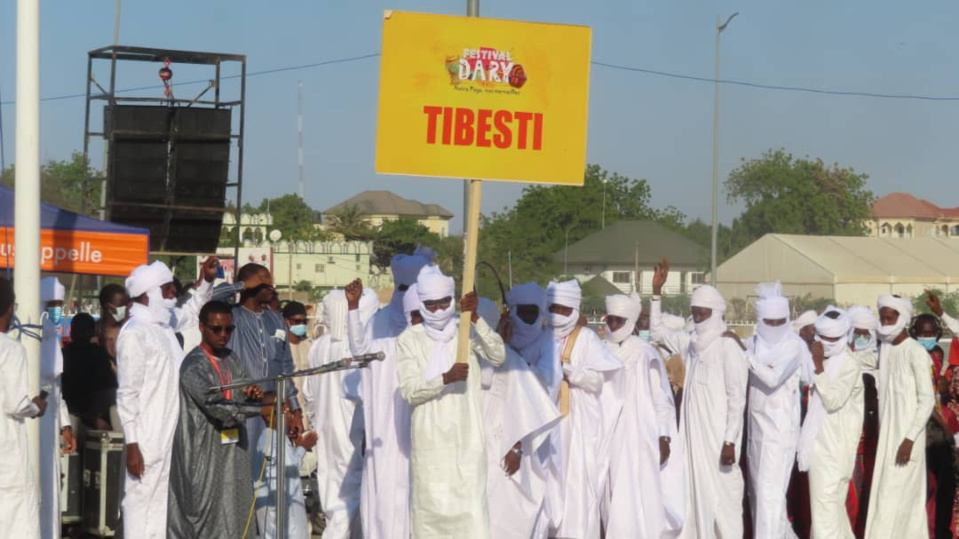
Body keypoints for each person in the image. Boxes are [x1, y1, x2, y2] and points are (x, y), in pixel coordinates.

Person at [395, 265, 506, 538]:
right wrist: (444, 379)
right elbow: (410, 391)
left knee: (471, 513)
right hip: (429, 441)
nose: (437, 310)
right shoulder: (409, 339)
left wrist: (476, 317)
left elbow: (498, 355)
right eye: (430, 305)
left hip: (467, 437)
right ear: (421, 304)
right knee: (429, 516)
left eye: (444, 302)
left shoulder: (464, 330)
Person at [115, 259, 216, 538]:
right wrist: (133, 443)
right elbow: (127, 394)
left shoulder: (164, 326)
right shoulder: (135, 333)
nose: (174, 292)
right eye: (168, 288)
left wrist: (206, 281)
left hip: (172, 433)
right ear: (150, 293)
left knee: (163, 506)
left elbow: (193, 309)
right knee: (140, 503)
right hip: (146, 438)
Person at [649, 261, 748, 538]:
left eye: (703, 314)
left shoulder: (729, 347)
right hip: (692, 439)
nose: (699, 319)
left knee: (724, 501)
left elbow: (736, 398)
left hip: (719, 441)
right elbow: (657, 332)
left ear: (716, 314)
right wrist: (657, 293)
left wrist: (730, 441)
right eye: (695, 314)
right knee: (693, 496)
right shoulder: (691, 344)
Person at [167, 301, 266, 537]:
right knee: (204, 518)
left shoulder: (232, 358)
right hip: (203, 454)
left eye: (229, 330)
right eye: (217, 329)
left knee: (236, 510)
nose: (224, 335)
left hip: (233, 452)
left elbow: (241, 388)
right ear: (202, 327)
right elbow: (217, 406)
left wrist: (251, 394)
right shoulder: (193, 366)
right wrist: (258, 409)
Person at [539, 279, 623, 538]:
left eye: (564, 310)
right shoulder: (539, 335)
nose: (558, 315)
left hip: (575, 427)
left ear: (574, 310)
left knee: (575, 488)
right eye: (554, 308)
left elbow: (597, 380)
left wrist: (565, 370)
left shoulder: (585, 338)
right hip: (543, 422)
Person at [474, 298, 562, 539]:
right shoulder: (461, 359)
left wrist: (517, 449)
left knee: (503, 513)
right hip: (469, 449)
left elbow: (525, 406)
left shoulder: (510, 360)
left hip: (501, 448)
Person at [602, 293, 682, 538]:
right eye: (611, 320)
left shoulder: (645, 353)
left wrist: (664, 436)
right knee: (609, 495)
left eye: (619, 321)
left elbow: (662, 399)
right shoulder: (599, 350)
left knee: (636, 496)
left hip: (638, 436)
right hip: (606, 434)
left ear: (631, 322)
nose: (614, 326)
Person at [343, 278, 413, 539]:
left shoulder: (437, 349)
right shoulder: (387, 347)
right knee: (382, 504)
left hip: (419, 443)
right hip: (385, 440)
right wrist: (352, 307)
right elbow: (359, 348)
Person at [865, 295, 936, 538]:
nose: (885, 323)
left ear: (902, 319)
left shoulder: (915, 352)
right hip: (888, 438)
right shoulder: (885, 348)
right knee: (891, 498)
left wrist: (909, 438)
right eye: (882, 318)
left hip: (907, 440)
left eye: (890, 318)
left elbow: (927, 400)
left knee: (897, 500)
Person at [740, 282, 807, 539]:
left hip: (780, 433)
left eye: (781, 321)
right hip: (756, 431)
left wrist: (744, 355)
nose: (776, 327)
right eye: (770, 322)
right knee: (761, 498)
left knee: (770, 498)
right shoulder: (754, 343)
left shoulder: (793, 345)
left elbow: (771, 378)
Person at [228, 263, 303, 475]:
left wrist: (296, 410)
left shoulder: (276, 320)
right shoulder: (232, 317)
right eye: (265, 282)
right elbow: (207, 299)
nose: (272, 286)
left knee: (271, 474)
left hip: (273, 411)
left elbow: (284, 365)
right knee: (241, 471)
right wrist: (240, 285)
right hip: (241, 409)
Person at [797, 307, 864, 538]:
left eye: (833, 339)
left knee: (825, 513)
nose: (827, 343)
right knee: (831, 511)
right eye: (823, 338)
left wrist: (818, 366)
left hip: (836, 449)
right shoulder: (825, 360)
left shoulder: (848, 363)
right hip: (820, 447)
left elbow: (834, 399)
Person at [302, 290, 363, 538]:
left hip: (325, 430)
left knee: (331, 491)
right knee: (351, 492)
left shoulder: (317, 346)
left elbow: (309, 394)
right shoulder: (354, 345)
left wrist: (316, 423)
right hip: (350, 429)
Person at [0, 277, 48, 539]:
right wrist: (36, 406)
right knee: (17, 523)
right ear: (9, 308)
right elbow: (16, 404)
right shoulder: (11, 349)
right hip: (7, 456)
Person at [911, 313, 955, 538]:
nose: (926, 337)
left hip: (935, 425)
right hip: (925, 428)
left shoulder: (934, 355)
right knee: (926, 484)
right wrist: (944, 426)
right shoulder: (912, 357)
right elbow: (925, 398)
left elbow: (937, 390)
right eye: (922, 333)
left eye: (930, 333)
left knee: (943, 484)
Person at [39, 276, 76, 539]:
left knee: (53, 485)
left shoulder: (54, 338)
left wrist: (65, 425)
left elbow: (57, 391)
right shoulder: (30, 336)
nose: (56, 311)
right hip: (33, 422)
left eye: (60, 306)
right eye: (52, 304)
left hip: (52, 424)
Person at [253, 393, 318, 539]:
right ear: (269, 417)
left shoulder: (276, 436)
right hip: (283, 515)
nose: (290, 416)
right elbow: (290, 467)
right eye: (285, 411)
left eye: (289, 411)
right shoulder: (271, 440)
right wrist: (302, 447)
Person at [62, 313, 117, 430]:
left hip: (89, 413)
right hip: (74, 412)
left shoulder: (64, 354)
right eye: (79, 329)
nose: (81, 333)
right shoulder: (98, 355)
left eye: (83, 329)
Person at [372, 249, 432, 339]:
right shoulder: (380, 319)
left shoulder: (437, 320)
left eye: (416, 291)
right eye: (405, 288)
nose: (409, 296)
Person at [284, 301, 313, 429]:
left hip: (308, 410)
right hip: (289, 409)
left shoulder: (309, 346)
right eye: (296, 321)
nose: (301, 325)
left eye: (304, 321)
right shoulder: (281, 348)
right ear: (286, 321)